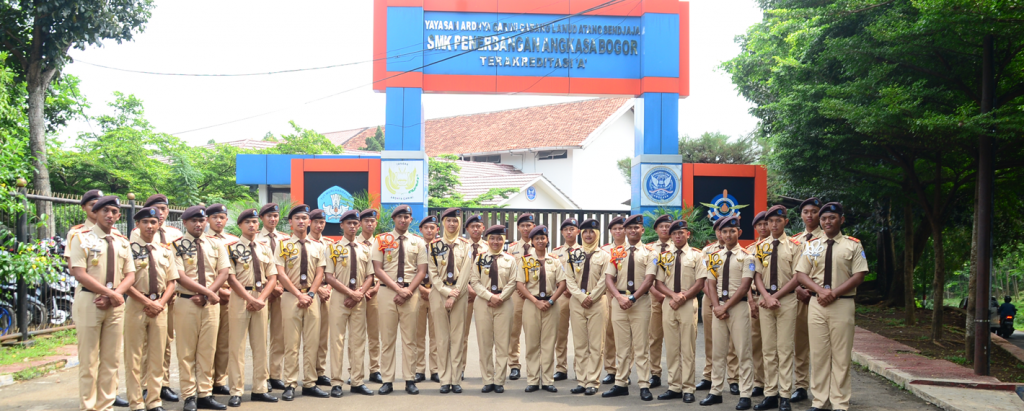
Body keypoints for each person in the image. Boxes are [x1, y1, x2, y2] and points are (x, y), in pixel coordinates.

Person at [795, 202, 868, 411]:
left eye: (832, 218)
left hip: (842, 304)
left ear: (841, 220)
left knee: (841, 355)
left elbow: (859, 275)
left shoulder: (853, 245)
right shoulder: (812, 245)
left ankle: (840, 402)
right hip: (817, 304)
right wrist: (820, 291)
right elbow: (801, 274)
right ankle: (819, 401)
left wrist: (833, 292)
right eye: (824, 218)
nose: (827, 221)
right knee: (818, 354)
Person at [69, 196, 136, 411]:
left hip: (114, 304)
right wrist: (111, 293)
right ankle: (89, 407)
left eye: (114, 212)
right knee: (88, 361)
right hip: (90, 300)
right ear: (95, 213)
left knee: (111, 359)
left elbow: (130, 275)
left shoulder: (122, 241)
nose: (110, 215)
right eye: (105, 210)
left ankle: (106, 405)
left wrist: (114, 295)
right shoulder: (81, 238)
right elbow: (79, 273)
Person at [173, 205, 231, 411]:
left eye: (201, 220)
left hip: (209, 303)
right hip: (186, 302)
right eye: (193, 221)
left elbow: (223, 272)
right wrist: (207, 293)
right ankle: (189, 396)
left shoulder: (216, 245)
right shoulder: (176, 245)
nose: (198, 224)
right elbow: (179, 275)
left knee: (208, 349)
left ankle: (205, 393)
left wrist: (208, 294)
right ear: (185, 223)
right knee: (186, 351)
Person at [371, 205, 430, 395]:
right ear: (393, 219)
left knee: (410, 339)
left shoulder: (418, 242)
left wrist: (408, 290)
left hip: (411, 293)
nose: (403, 220)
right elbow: (378, 269)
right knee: (387, 339)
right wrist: (398, 289)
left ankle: (409, 379)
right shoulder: (382, 239)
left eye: (406, 217)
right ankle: (387, 380)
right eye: (399, 217)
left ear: (411, 220)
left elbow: (422, 270)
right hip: (387, 291)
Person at [124, 207, 178, 411]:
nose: (149, 226)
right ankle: (136, 402)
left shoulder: (165, 250)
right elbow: (124, 281)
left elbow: (172, 281)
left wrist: (161, 303)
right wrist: (147, 302)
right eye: (145, 222)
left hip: (160, 307)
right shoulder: (127, 249)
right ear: (137, 225)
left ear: (158, 225)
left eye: (153, 222)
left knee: (157, 356)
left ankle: (154, 400)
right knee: (134, 356)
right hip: (137, 305)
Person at [700, 215, 755, 410]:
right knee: (718, 352)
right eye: (725, 231)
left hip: (738, 307)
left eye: (732, 231)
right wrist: (716, 306)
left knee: (742, 352)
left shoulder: (748, 257)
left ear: (739, 232)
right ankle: (715, 391)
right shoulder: (715, 257)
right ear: (720, 234)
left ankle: (745, 394)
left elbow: (744, 286)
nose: (728, 234)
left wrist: (725, 306)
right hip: (719, 309)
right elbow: (710, 284)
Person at [224, 209, 279, 406]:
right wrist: (249, 297)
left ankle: (260, 388)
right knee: (237, 346)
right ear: (240, 225)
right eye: (247, 222)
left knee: (260, 345)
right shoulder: (231, 248)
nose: (252, 225)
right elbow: (230, 277)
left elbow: (272, 277)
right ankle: (236, 391)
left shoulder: (265, 248)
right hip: (240, 298)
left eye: (254, 222)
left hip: (260, 297)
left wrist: (261, 298)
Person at [274, 204, 329, 400]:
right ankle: (289, 383)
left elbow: (320, 272)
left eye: (304, 218)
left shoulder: (319, 246)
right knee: (291, 343)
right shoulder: (283, 245)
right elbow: (281, 273)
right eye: (297, 218)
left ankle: (310, 383)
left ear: (309, 222)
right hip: (291, 298)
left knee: (313, 342)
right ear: (290, 222)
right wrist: (299, 295)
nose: (301, 221)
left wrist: (311, 294)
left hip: (312, 298)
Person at [752, 206, 803, 411]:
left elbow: (798, 275)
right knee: (768, 350)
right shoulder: (760, 246)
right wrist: (766, 296)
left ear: (785, 222)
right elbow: (756, 274)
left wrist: (775, 296)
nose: (773, 224)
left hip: (786, 300)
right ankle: (770, 394)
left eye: (778, 221)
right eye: (770, 221)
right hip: (765, 302)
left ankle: (785, 396)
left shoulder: (795, 246)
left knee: (784, 348)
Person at [602, 214, 656, 401]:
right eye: (630, 228)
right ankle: (620, 384)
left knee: (641, 346)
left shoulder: (650, 253)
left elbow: (649, 280)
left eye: (637, 227)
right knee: (622, 346)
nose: (633, 230)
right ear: (624, 231)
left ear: (642, 230)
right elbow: (609, 277)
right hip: (619, 302)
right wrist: (618, 296)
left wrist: (632, 298)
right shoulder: (616, 252)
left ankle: (643, 385)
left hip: (640, 302)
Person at [322, 210, 376, 397]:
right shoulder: (333, 248)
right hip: (339, 298)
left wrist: (359, 293)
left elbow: (371, 276)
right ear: (341, 225)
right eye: (349, 223)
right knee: (337, 341)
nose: (352, 226)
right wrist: (350, 293)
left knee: (358, 341)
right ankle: (336, 382)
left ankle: (357, 381)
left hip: (359, 299)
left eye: (355, 223)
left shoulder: (365, 249)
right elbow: (329, 277)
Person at [136, 194, 181, 404]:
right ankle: (145, 385)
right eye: (156, 209)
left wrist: (169, 295)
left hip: (171, 296)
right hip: (146, 298)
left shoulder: (175, 234)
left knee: (166, 341)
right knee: (146, 342)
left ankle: (163, 383)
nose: (160, 213)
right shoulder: (137, 234)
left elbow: (179, 266)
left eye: (163, 209)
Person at [654, 220, 705, 403]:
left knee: (688, 348)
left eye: (681, 233)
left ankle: (688, 388)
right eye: (674, 234)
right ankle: (674, 386)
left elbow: (700, 282)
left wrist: (682, 297)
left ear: (687, 234)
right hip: (669, 303)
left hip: (687, 303)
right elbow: (658, 282)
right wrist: (673, 296)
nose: (677, 236)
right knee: (672, 348)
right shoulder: (665, 256)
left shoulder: (696, 256)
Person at [427, 208, 474, 393]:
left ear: (459, 223)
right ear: (443, 223)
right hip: (439, 294)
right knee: (441, 338)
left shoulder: (466, 245)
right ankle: (444, 380)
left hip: (460, 294)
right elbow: (432, 273)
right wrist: (446, 292)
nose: (452, 224)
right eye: (448, 221)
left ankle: (456, 379)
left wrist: (454, 294)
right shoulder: (433, 246)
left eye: (455, 221)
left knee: (457, 337)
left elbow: (466, 272)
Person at [517, 225, 568, 393]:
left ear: (547, 240)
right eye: (536, 238)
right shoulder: (525, 261)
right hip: (532, 305)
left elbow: (562, 284)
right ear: (531, 241)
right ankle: (532, 380)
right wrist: (535, 301)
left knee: (548, 343)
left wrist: (551, 301)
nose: (540, 240)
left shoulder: (555, 261)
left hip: (551, 305)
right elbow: (520, 284)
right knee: (532, 343)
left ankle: (547, 380)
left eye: (543, 238)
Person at [469, 225, 519, 394]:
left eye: (499, 238)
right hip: (484, 303)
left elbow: (513, 282)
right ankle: (488, 379)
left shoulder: (510, 260)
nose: (495, 242)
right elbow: (474, 281)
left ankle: (499, 380)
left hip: (504, 303)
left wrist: (500, 297)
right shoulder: (480, 258)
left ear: (504, 240)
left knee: (503, 343)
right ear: (487, 240)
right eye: (492, 238)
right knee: (484, 343)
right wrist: (490, 297)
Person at [564, 219, 610, 396]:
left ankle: (592, 381)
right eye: (585, 232)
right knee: (580, 344)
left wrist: (591, 297)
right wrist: (581, 297)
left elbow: (605, 279)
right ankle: (582, 381)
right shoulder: (573, 254)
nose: (588, 235)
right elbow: (569, 279)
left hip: (597, 302)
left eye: (592, 231)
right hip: (577, 302)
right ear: (581, 235)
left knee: (596, 344)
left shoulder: (605, 256)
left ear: (597, 234)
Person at [698, 217, 738, 393]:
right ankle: (708, 375)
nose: (723, 233)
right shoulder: (707, 251)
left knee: (733, 343)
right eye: (719, 230)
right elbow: (704, 278)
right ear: (717, 232)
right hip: (711, 300)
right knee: (710, 339)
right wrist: (715, 302)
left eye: (727, 229)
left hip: (733, 301)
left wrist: (725, 304)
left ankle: (734, 378)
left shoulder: (740, 252)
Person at [791, 197, 824, 404]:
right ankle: (801, 385)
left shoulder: (829, 238)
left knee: (822, 345)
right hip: (799, 297)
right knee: (800, 343)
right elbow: (788, 269)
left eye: (814, 211)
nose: (809, 215)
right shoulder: (794, 241)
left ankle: (823, 387)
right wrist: (796, 288)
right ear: (801, 215)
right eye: (806, 212)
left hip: (821, 298)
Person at [254, 203, 290, 391]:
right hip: (261, 292)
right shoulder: (255, 238)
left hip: (282, 293)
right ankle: (263, 376)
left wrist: (280, 286)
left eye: (275, 216)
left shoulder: (285, 239)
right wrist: (272, 286)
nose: (272, 219)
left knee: (279, 334)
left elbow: (289, 266)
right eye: (268, 216)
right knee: (261, 335)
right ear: (261, 218)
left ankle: (275, 375)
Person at [205, 203, 237, 398]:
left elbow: (239, 270)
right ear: (208, 219)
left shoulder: (233, 241)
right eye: (214, 217)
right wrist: (215, 291)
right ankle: (205, 382)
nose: (219, 220)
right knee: (207, 343)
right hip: (209, 296)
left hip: (230, 296)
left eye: (222, 217)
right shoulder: (202, 239)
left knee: (225, 341)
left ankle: (219, 381)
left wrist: (231, 292)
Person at [505, 213, 537, 381]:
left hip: (534, 294)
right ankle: (514, 365)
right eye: (523, 226)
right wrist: (517, 287)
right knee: (514, 331)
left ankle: (534, 366)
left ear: (533, 226)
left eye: (529, 225)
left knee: (533, 331)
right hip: (517, 294)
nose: (526, 228)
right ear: (518, 228)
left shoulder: (539, 245)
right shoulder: (512, 248)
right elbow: (509, 270)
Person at [647, 214, 675, 390]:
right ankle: (655, 373)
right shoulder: (649, 249)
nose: (665, 229)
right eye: (662, 226)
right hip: (654, 298)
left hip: (674, 299)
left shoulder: (680, 247)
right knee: (655, 337)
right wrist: (655, 293)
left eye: (668, 226)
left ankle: (676, 375)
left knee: (675, 339)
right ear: (656, 229)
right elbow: (645, 275)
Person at [601, 216, 630, 384]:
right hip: (609, 295)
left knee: (628, 336)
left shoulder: (631, 248)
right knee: (610, 333)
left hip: (628, 295)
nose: (618, 231)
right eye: (615, 229)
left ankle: (625, 370)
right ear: (610, 231)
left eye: (621, 228)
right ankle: (611, 369)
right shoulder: (604, 250)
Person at [307, 209, 335, 388]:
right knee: (309, 336)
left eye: (322, 222)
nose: (319, 225)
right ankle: (307, 373)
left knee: (323, 334)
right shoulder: (303, 242)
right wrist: (316, 290)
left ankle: (320, 371)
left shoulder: (331, 244)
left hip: (328, 291)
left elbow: (336, 270)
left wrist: (329, 287)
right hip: (309, 292)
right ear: (310, 223)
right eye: (316, 222)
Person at [551, 217, 580, 383]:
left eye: (572, 229)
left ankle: (580, 368)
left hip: (578, 297)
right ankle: (561, 368)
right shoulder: (555, 253)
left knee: (580, 334)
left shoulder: (583, 251)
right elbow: (552, 273)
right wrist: (563, 287)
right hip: (561, 296)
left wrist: (574, 289)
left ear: (578, 231)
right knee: (560, 333)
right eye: (566, 229)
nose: (569, 232)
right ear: (562, 232)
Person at [457, 214, 486, 381]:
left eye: (479, 226)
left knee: (486, 334)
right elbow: (459, 270)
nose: (476, 229)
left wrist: (480, 291)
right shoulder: (461, 247)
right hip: (465, 294)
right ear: (467, 229)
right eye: (472, 226)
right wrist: (467, 288)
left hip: (484, 296)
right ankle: (459, 368)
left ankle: (488, 370)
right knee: (462, 334)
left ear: (483, 228)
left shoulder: (489, 247)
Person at [358, 209, 384, 384]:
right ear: (360, 223)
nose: (369, 224)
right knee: (356, 334)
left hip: (376, 293)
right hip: (357, 293)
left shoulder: (381, 242)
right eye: (366, 221)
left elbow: (385, 268)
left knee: (374, 333)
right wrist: (361, 290)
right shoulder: (354, 242)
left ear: (376, 223)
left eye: (372, 221)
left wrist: (376, 287)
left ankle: (375, 369)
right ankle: (355, 369)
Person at [746, 211, 768, 398]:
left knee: (777, 344)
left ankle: (775, 383)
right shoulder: (750, 250)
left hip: (777, 298)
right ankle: (759, 382)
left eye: (765, 224)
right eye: (759, 225)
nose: (763, 227)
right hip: (755, 298)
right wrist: (751, 300)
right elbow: (743, 279)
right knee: (756, 343)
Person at [415, 217, 440, 383]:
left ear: (437, 229)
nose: (429, 231)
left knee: (436, 334)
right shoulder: (415, 247)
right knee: (417, 334)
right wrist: (421, 288)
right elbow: (409, 270)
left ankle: (436, 369)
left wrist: (434, 290)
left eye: (432, 227)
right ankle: (419, 369)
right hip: (417, 294)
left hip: (436, 294)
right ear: (420, 229)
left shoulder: (442, 248)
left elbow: (446, 271)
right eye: (426, 228)